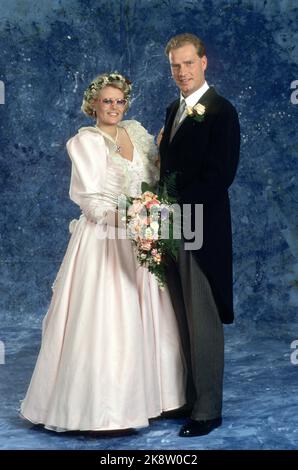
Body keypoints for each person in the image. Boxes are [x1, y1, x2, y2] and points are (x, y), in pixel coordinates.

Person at [20, 72, 186, 433]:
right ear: (93, 104)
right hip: (103, 241)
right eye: (107, 101)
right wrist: (132, 220)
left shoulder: (138, 134)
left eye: (119, 101)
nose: (113, 107)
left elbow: (155, 180)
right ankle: (103, 411)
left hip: (142, 237)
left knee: (149, 316)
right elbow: (92, 202)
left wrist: (150, 215)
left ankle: (153, 400)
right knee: (109, 320)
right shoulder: (86, 143)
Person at [159, 33, 240, 437]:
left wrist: (173, 205)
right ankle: (190, 400)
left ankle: (208, 411)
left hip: (202, 229)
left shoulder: (222, 111)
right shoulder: (174, 108)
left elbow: (219, 176)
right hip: (173, 227)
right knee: (182, 319)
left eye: (188, 63)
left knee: (203, 320)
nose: (182, 72)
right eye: (175, 65)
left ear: (204, 63)